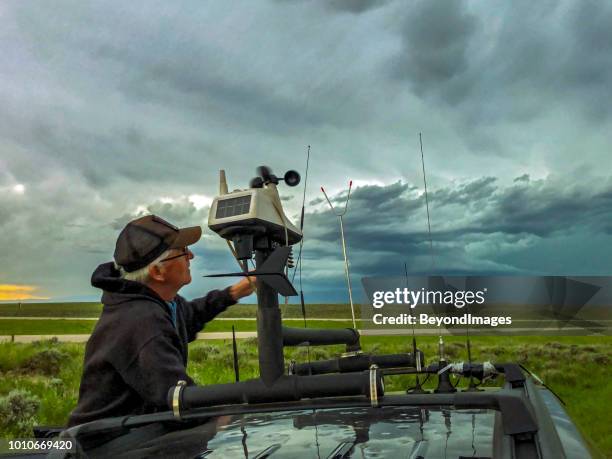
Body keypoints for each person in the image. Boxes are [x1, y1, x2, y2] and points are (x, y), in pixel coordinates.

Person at [68, 214, 255, 426]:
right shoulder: (142, 322)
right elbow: (177, 401)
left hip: (137, 432)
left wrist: (236, 292)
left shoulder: (158, 303)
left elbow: (190, 315)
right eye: (183, 251)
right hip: (108, 442)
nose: (191, 256)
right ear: (158, 271)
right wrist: (238, 420)